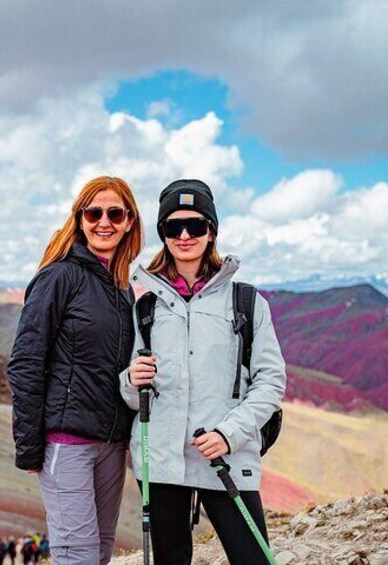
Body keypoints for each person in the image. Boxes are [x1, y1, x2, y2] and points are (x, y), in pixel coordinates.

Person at [121, 179, 286, 564]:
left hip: (227, 456)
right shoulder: (145, 307)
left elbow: (270, 381)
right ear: (163, 234)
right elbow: (130, 395)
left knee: (252, 559)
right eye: (173, 226)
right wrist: (131, 380)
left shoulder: (247, 302)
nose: (184, 235)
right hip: (161, 461)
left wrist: (229, 435)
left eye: (195, 225)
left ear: (211, 231)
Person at [8, 176, 144, 564]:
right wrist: (30, 448)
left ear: (129, 221)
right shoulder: (59, 276)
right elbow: (25, 362)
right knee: (76, 555)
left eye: (115, 213)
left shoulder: (121, 286)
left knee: (99, 551)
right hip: (67, 444)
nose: (104, 222)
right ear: (79, 218)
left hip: (111, 443)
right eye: (94, 212)